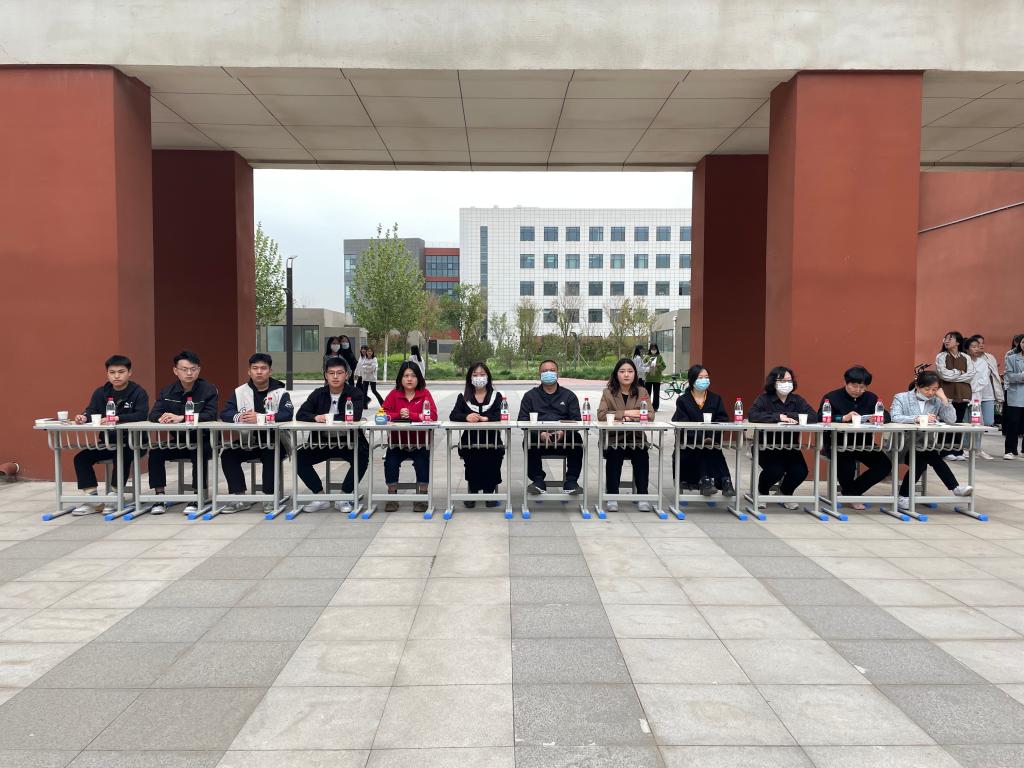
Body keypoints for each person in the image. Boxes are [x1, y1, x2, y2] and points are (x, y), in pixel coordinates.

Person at [70, 355, 149, 515]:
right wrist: (83, 417)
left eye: (121, 372)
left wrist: (118, 418)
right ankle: (92, 498)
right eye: (112, 372)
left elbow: (141, 414)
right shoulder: (101, 393)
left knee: (122, 454)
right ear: (107, 373)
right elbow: (91, 411)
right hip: (108, 442)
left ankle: (115, 494)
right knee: (81, 458)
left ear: (130, 372)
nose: (116, 376)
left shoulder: (138, 392)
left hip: (134, 443)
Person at [218, 353, 294, 514]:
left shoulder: (280, 392)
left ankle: (269, 497)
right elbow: (225, 413)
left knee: (270, 452)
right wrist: (241, 417)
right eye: (255, 368)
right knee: (228, 454)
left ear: (270, 371)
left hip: (275, 441)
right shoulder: (240, 392)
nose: (259, 372)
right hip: (249, 441)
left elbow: (287, 414)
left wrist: (260, 418)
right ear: (249, 371)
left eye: (263, 368)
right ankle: (239, 497)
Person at [148, 350, 219, 516]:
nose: (189, 373)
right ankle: (159, 496)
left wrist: (182, 418)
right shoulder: (168, 391)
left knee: (198, 452)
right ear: (175, 370)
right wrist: (162, 418)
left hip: (204, 440)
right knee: (156, 452)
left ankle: (197, 496)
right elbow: (153, 414)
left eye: (193, 369)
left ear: (199, 370)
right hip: (179, 441)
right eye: (184, 369)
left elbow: (211, 415)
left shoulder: (208, 389)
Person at [296, 356, 369, 513]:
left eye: (339, 373)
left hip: (350, 442)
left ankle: (344, 495)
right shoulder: (318, 393)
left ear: (346, 375)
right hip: (321, 442)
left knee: (362, 457)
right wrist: (315, 417)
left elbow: (355, 416)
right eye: (331, 373)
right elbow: (301, 414)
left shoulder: (355, 393)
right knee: (299, 458)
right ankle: (320, 496)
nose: (335, 377)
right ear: (325, 375)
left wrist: (328, 417)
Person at [891, 370, 973, 510]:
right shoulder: (901, 397)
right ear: (917, 386)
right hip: (903, 444)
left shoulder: (936, 400)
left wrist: (944, 399)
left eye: (934, 389)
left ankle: (904, 496)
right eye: (927, 389)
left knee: (924, 457)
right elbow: (895, 416)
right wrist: (918, 418)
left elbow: (952, 419)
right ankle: (955, 487)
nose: (930, 393)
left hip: (924, 444)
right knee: (928, 456)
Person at [817, 365, 892, 510]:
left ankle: (851, 492)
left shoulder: (871, 398)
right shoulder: (831, 397)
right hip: (837, 443)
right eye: (854, 386)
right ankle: (851, 494)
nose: (858, 390)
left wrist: (877, 418)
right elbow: (820, 417)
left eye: (862, 387)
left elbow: (887, 416)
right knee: (847, 463)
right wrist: (842, 418)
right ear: (846, 382)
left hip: (864, 443)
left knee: (884, 465)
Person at [749, 366, 818, 509]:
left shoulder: (797, 400)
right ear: (773, 382)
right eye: (782, 380)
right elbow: (753, 415)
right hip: (766, 446)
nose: (786, 383)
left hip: (790, 446)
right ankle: (762, 492)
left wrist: (789, 416)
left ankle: (785, 492)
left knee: (801, 471)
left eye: (789, 380)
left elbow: (813, 416)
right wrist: (778, 417)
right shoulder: (764, 399)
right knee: (775, 471)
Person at [518, 359, 584, 495]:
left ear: (558, 373)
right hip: (539, 439)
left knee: (577, 440)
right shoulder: (530, 396)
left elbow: (576, 420)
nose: (548, 373)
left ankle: (571, 482)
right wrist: (540, 433)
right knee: (528, 440)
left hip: (564, 439)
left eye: (552, 370)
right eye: (544, 371)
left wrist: (563, 432)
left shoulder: (569, 396)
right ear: (539, 374)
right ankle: (538, 481)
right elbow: (523, 420)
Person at [671, 364, 735, 498]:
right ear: (692, 380)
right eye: (700, 377)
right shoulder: (683, 400)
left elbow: (722, 419)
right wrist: (700, 438)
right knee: (701, 449)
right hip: (689, 444)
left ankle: (726, 482)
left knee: (713, 450)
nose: (704, 380)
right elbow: (682, 423)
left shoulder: (715, 398)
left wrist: (711, 436)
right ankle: (707, 480)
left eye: (706, 377)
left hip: (711, 441)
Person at [382, 361, 438, 513]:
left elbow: (433, 416)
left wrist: (412, 415)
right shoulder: (394, 394)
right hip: (397, 443)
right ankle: (392, 496)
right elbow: (382, 414)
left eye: (413, 376)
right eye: (406, 375)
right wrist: (397, 415)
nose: (409, 379)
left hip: (420, 443)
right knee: (390, 463)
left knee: (422, 463)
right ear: (400, 378)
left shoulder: (425, 394)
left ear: (419, 378)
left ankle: (422, 496)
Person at [597, 358, 652, 512]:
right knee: (615, 455)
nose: (626, 375)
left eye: (630, 371)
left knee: (642, 456)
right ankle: (612, 496)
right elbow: (601, 415)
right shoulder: (608, 392)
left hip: (636, 439)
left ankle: (643, 496)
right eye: (622, 371)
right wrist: (629, 413)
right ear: (616, 374)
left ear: (635, 374)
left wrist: (620, 416)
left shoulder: (642, 391)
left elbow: (650, 415)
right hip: (614, 439)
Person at [449, 362, 505, 508]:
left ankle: (489, 491)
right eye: (475, 375)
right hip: (470, 441)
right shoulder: (463, 397)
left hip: (492, 441)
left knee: (492, 460)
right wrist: (466, 417)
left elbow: (501, 414)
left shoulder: (496, 396)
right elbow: (453, 415)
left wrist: (487, 418)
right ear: (470, 378)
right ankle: (473, 491)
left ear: (488, 377)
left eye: (482, 374)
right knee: (473, 461)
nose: (479, 377)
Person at [935, 331, 976, 461]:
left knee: (958, 423)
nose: (946, 341)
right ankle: (945, 451)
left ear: (958, 342)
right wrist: (960, 372)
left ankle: (958, 450)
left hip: (963, 393)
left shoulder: (966, 357)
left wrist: (953, 375)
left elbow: (971, 375)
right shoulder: (941, 356)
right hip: (947, 393)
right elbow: (943, 375)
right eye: (945, 339)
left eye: (950, 339)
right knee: (946, 422)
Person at [965, 334, 1003, 460]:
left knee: (979, 423)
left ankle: (976, 448)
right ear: (967, 348)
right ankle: (966, 448)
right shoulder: (964, 361)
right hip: (965, 397)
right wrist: (968, 388)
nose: (978, 348)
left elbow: (984, 379)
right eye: (974, 346)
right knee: (966, 423)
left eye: (979, 345)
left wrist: (973, 388)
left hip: (977, 397)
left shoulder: (984, 361)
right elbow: (962, 378)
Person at [1003, 334, 1024, 459]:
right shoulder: (1012, 358)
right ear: (1019, 344)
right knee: (1013, 422)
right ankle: (1010, 450)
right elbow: (1009, 376)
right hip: (1016, 394)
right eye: (1023, 342)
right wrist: (1022, 376)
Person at [645, 343, 665, 411]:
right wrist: (648, 364)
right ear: (650, 349)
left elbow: (664, 366)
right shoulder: (647, 357)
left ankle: (655, 407)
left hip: (657, 378)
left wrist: (658, 365)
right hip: (648, 378)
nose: (653, 350)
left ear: (657, 349)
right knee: (647, 393)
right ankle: (647, 407)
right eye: (652, 349)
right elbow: (643, 366)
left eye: (655, 349)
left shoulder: (659, 357)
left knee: (656, 393)